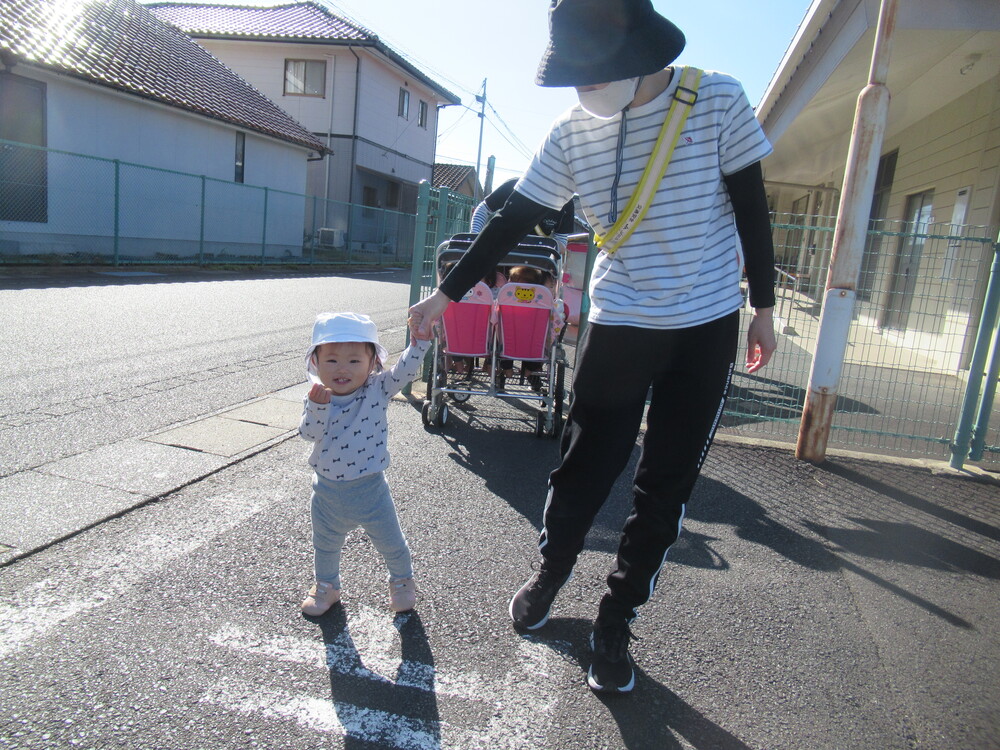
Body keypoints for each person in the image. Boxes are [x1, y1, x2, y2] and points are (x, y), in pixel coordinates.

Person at [410, 0, 777, 694]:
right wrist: (445, 296)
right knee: (585, 464)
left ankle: (617, 616)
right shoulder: (573, 131)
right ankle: (551, 572)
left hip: (705, 325)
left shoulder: (717, 98)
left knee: (666, 482)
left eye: (589, 74)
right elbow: (512, 218)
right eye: (570, 77)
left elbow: (752, 202)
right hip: (622, 320)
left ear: (637, 52)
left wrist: (763, 307)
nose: (581, 90)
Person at [298, 312, 430, 616]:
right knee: (325, 546)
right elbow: (308, 434)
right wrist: (318, 408)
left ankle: (401, 582)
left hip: (371, 491)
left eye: (355, 361)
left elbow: (405, 371)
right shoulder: (318, 396)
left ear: (372, 364)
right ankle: (326, 587)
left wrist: (420, 344)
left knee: (391, 543)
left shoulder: (377, 389)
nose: (342, 368)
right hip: (327, 494)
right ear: (316, 363)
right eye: (331, 360)